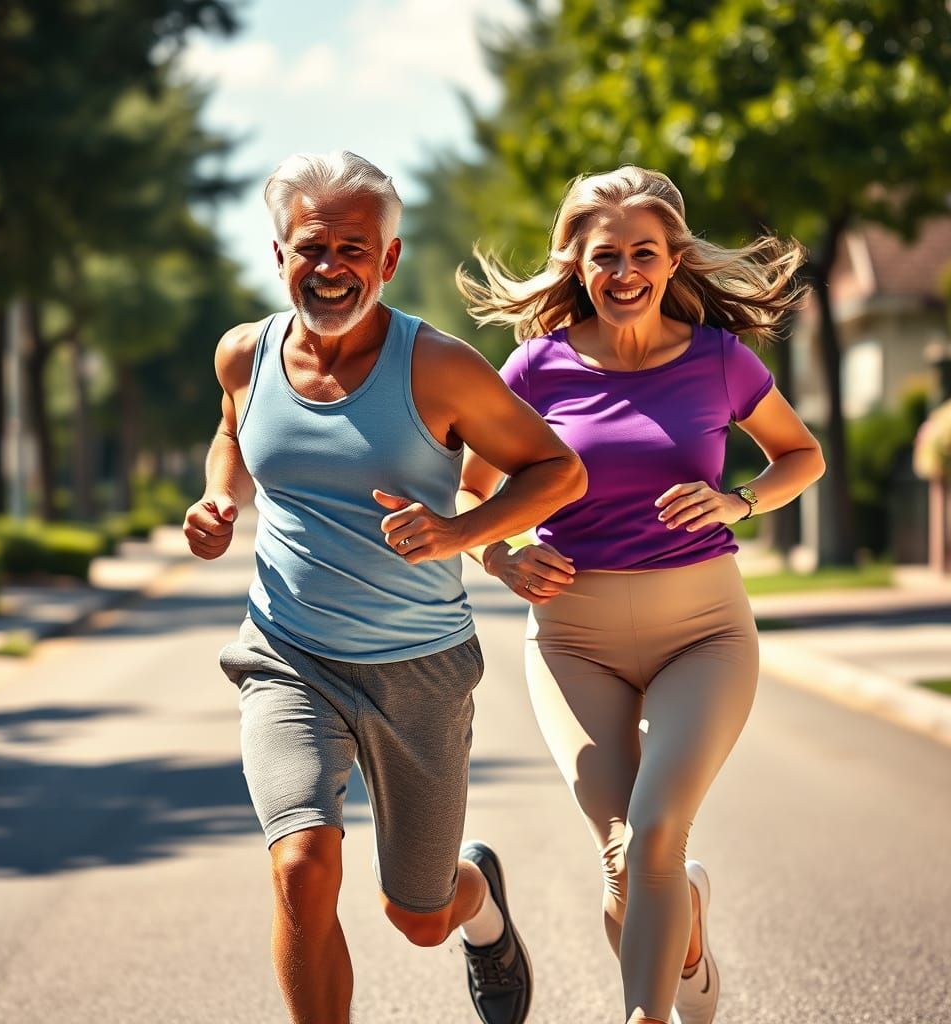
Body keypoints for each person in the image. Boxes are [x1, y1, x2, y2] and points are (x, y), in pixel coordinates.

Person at [182, 150, 587, 1024]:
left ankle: (479, 908)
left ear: (389, 261)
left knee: (419, 916)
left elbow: (557, 470)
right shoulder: (243, 356)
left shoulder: (437, 367)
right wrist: (219, 498)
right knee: (300, 868)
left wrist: (460, 533)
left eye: (354, 249)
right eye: (312, 247)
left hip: (421, 668)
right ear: (280, 254)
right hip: (286, 655)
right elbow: (231, 436)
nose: (331, 268)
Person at [455, 164, 826, 1024]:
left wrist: (742, 500)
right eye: (606, 256)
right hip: (572, 640)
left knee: (658, 831)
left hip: (703, 630)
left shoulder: (719, 361)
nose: (625, 273)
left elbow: (800, 456)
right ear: (575, 265)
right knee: (626, 860)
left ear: (672, 261)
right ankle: (684, 931)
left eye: (644, 253)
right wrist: (505, 558)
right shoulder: (533, 369)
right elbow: (473, 495)